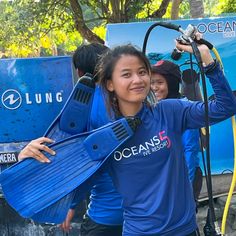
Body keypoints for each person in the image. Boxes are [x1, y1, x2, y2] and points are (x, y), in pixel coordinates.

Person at [19, 37, 236, 235]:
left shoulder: (170, 112)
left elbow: (225, 107)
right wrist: (27, 158)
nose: (138, 79)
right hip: (139, 231)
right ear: (109, 84)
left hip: (184, 229)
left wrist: (207, 59)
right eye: (126, 74)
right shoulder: (103, 136)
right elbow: (64, 175)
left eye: (142, 72)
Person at [19, 43, 123, 236]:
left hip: (105, 214)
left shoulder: (80, 108)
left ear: (79, 71)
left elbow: (80, 164)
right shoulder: (132, 103)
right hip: (143, 216)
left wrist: (71, 204)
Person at [150, 60, 203, 202]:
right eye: (151, 82)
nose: (154, 88)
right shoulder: (155, 108)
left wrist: (183, 188)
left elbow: (190, 152)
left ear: (172, 84)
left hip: (183, 178)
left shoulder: (185, 109)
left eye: (159, 83)